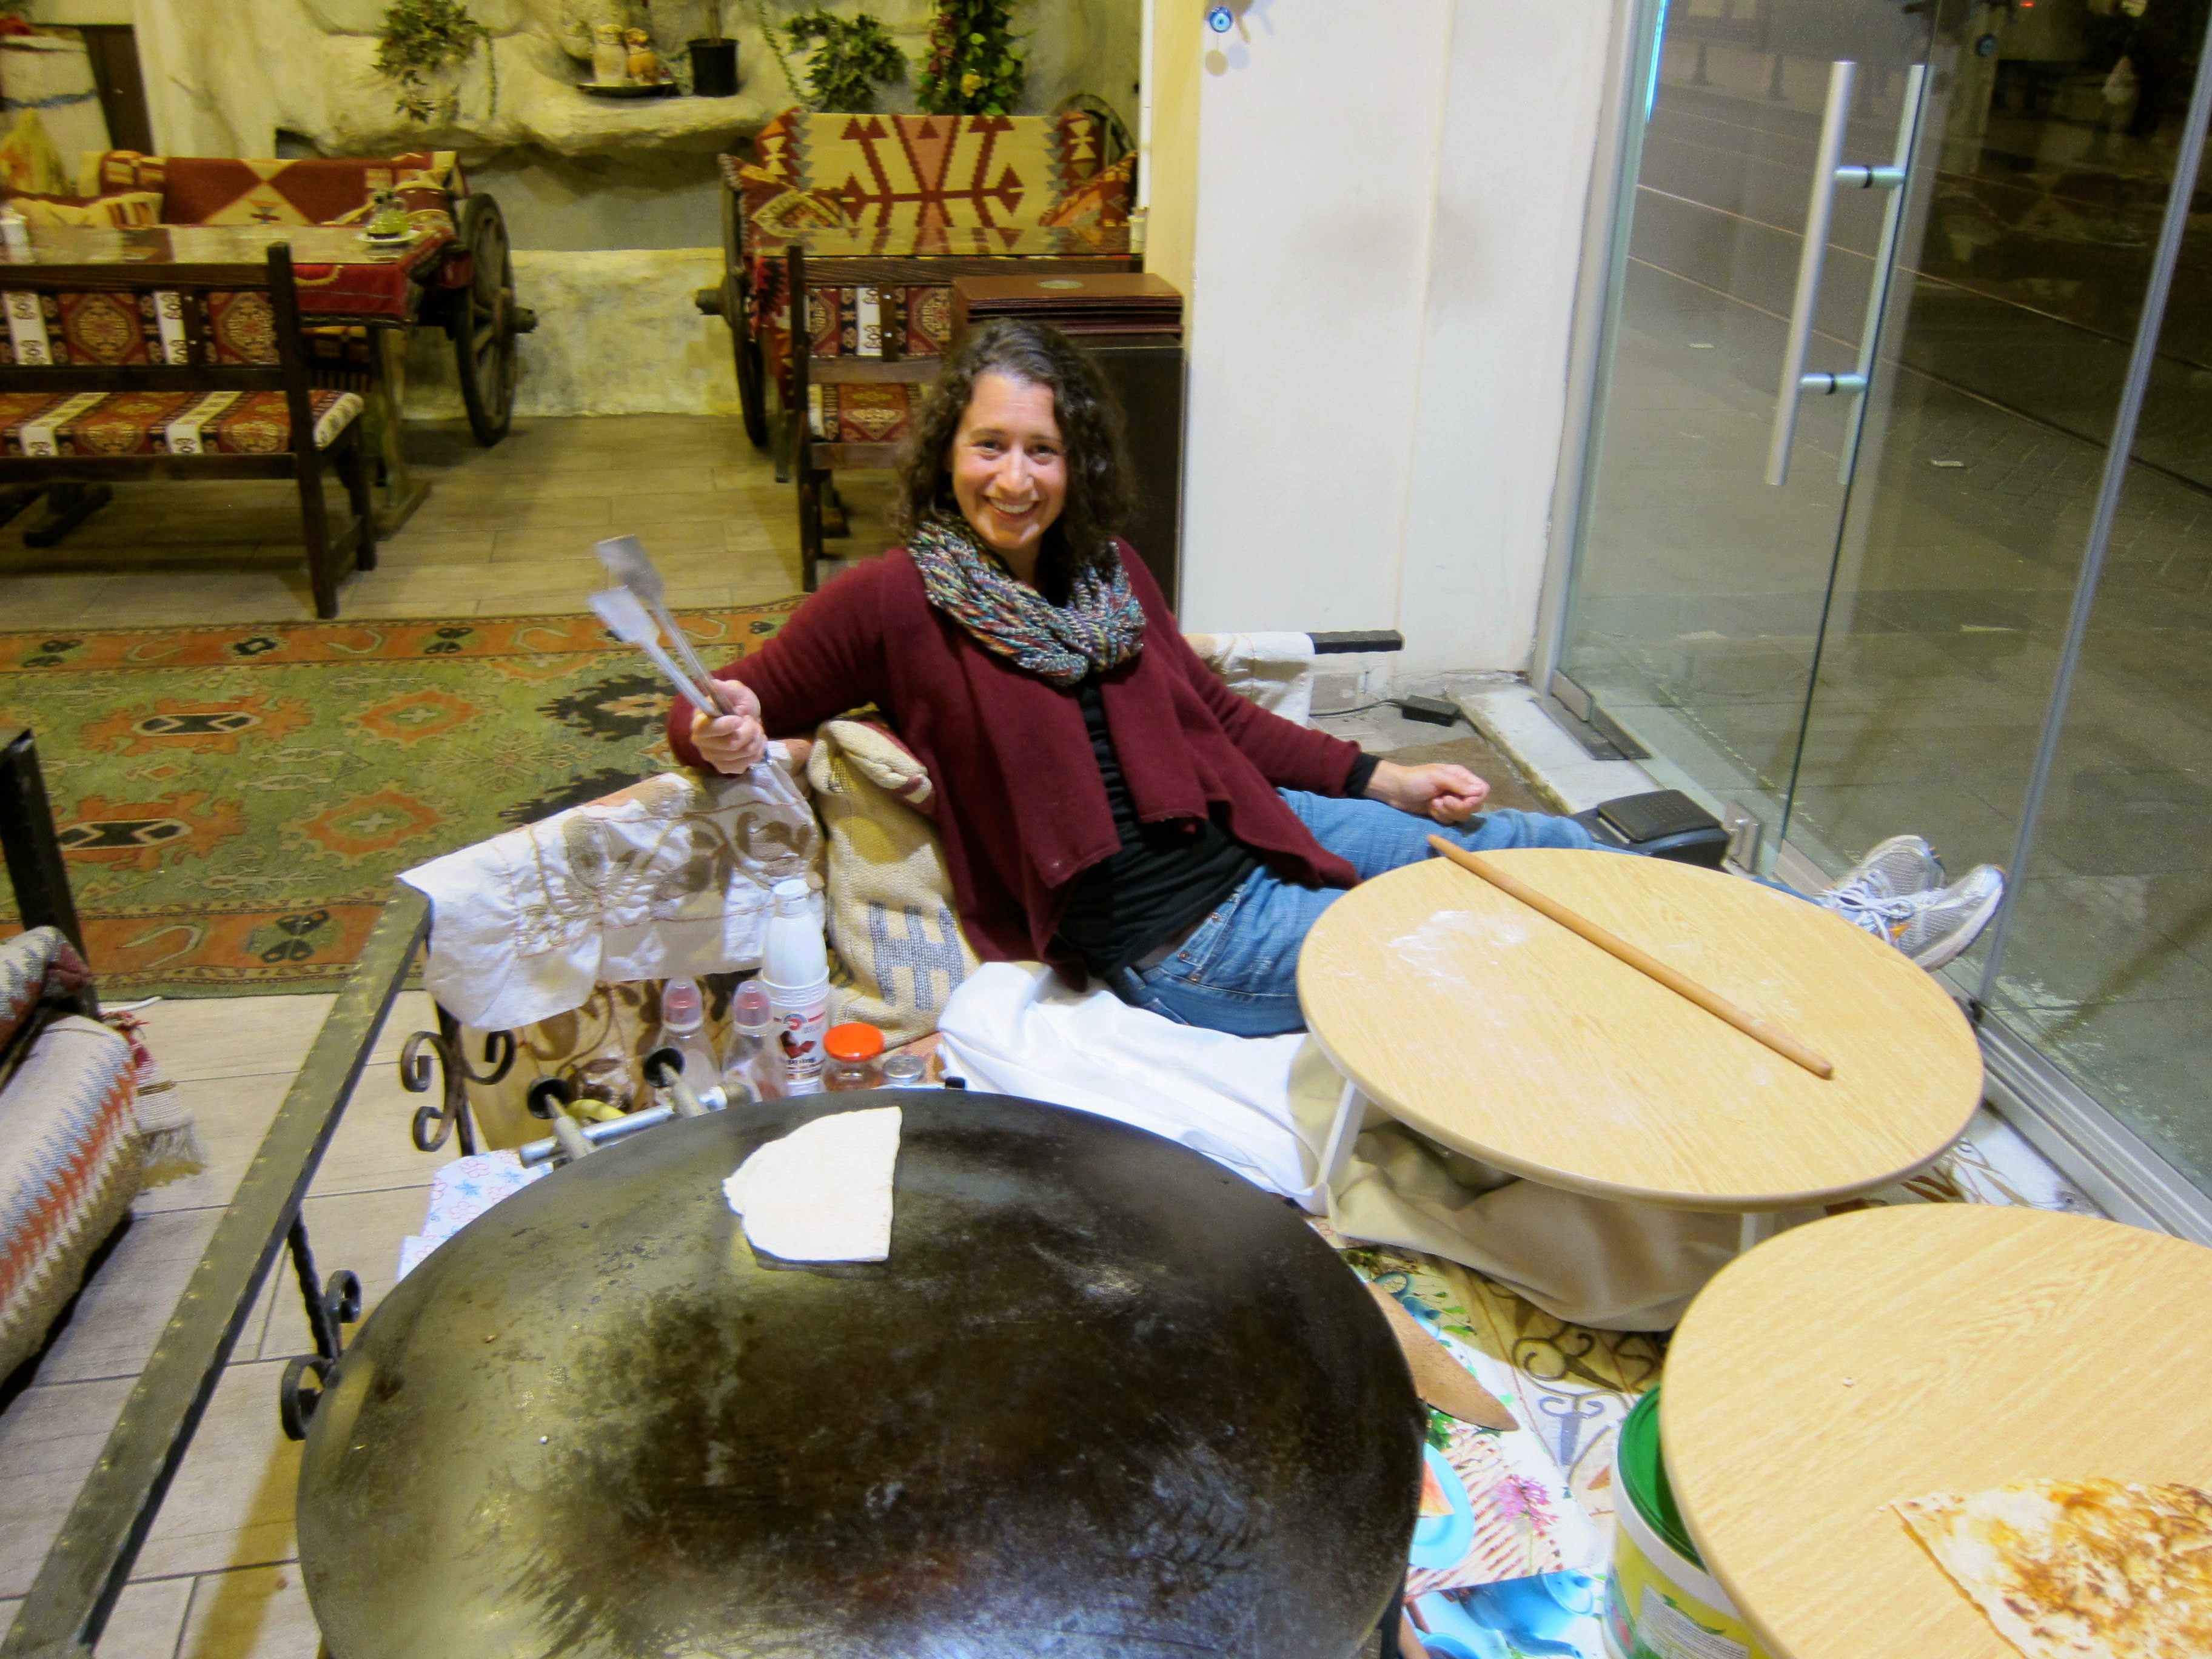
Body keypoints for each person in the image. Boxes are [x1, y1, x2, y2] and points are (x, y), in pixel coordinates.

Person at [669, 320, 2003, 1038]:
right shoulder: (894, 600)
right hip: (1170, 937)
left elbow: (1216, 721)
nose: (1015, 478)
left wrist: (1384, 775)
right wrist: (720, 728)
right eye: (990, 447)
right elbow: (717, 702)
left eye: (1043, 451)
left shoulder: (1110, 574)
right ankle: (1830, 967)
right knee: (1480, 942)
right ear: (947, 452)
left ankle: (1827, 927)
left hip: (1252, 833)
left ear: (1077, 463)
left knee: (1530, 845)